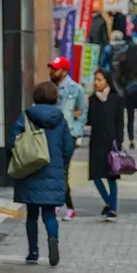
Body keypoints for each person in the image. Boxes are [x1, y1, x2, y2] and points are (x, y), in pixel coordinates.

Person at [7, 81, 74, 265]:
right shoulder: (60, 119)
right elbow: (68, 147)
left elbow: (12, 142)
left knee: (32, 214)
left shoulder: (26, 116)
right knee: (49, 214)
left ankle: (33, 252)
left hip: (30, 171)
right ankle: (53, 239)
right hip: (53, 173)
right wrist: (61, 164)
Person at [48, 56, 86, 220]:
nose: (52, 71)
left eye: (55, 69)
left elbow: (82, 113)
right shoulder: (49, 88)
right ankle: (57, 203)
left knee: (62, 171)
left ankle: (68, 206)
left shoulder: (75, 89)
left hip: (67, 135)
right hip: (51, 134)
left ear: (64, 71)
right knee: (54, 170)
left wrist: (75, 133)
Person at [87, 69, 125, 221]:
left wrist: (119, 142)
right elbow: (90, 120)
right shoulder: (92, 99)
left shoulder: (116, 99)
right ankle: (110, 203)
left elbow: (120, 123)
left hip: (111, 143)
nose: (96, 83)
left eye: (99, 80)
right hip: (96, 143)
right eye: (95, 79)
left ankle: (113, 209)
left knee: (111, 178)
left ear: (107, 81)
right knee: (95, 176)